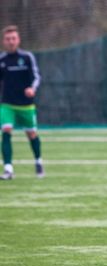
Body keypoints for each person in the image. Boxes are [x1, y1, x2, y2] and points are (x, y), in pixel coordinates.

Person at [0, 25, 43, 180]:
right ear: (3, 41)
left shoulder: (27, 57)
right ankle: (8, 169)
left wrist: (32, 88)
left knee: (31, 134)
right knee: (6, 131)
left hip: (26, 104)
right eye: (8, 39)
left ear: (18, 40)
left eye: (13, 38)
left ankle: (38, 161)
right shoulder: (2, 60)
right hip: (7, 104)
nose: (11, 41)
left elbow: (36, 77)